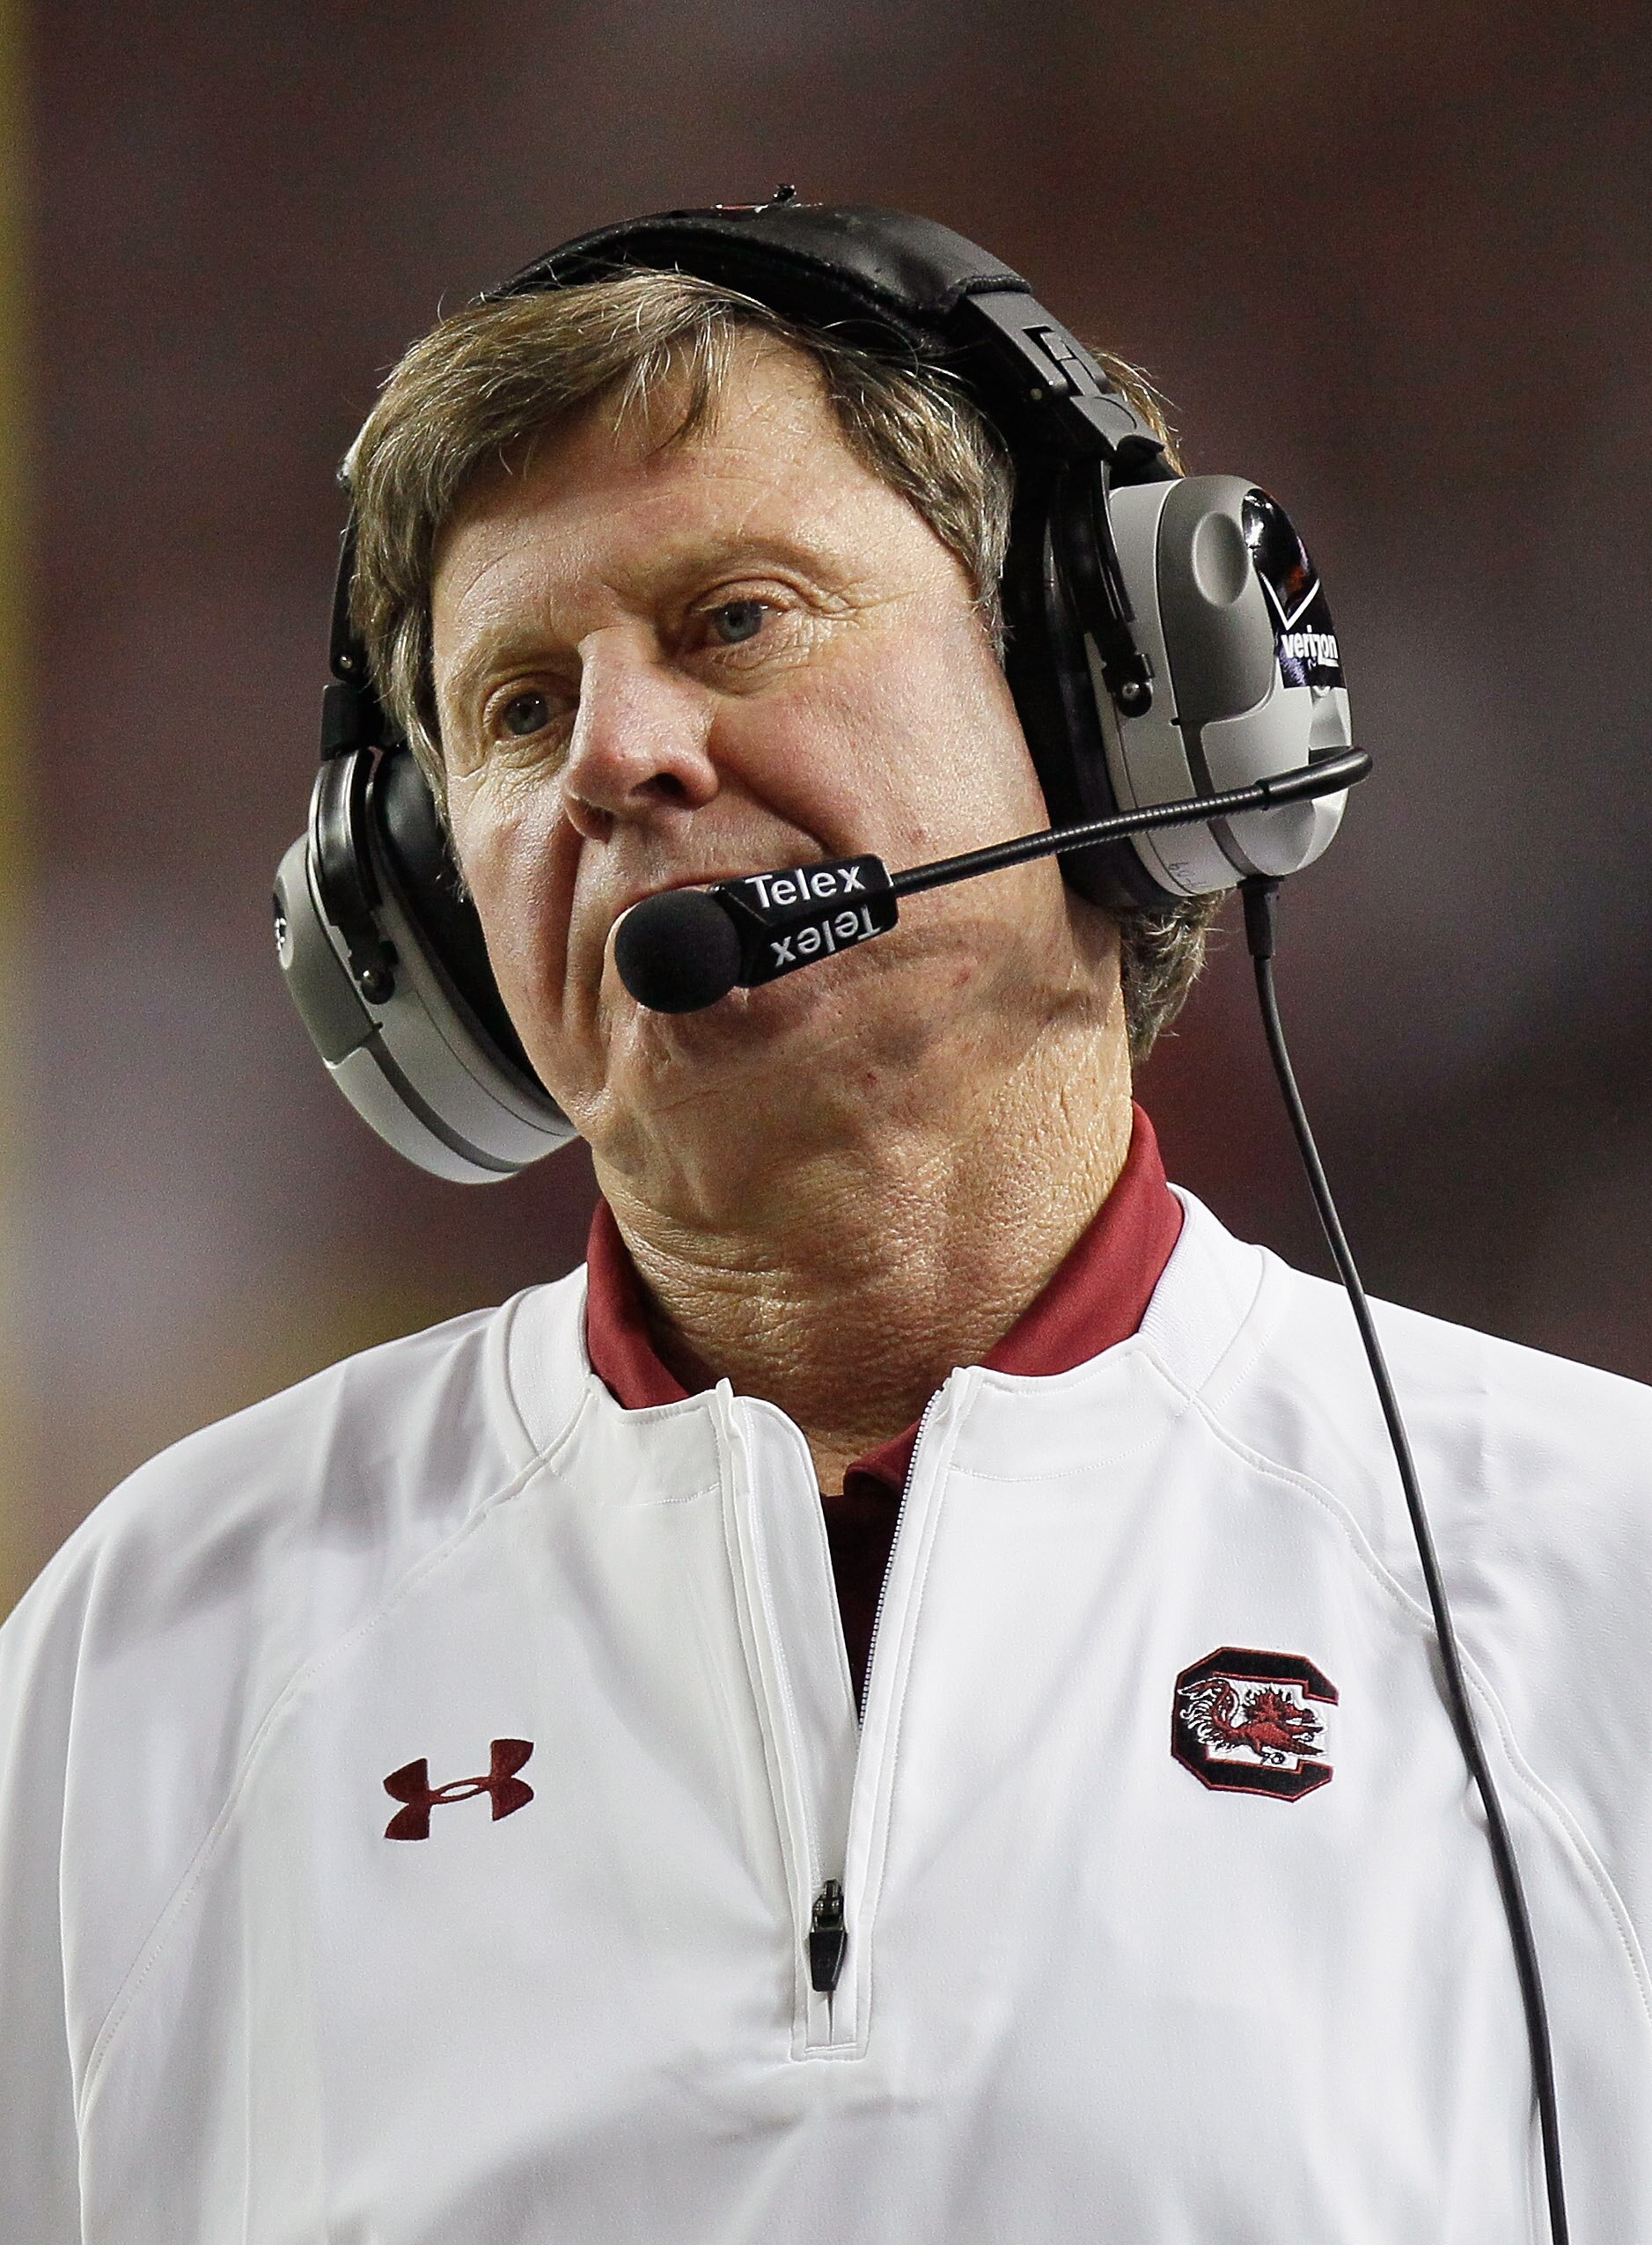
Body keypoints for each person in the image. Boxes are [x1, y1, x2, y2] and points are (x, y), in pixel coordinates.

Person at [2, 208, 1648, 2245]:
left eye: (737, 618)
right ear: (416, 933)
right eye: (515, 708)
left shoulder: (1597, 1576)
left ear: (1108, 700)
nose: (616, 754)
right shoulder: (154, 1644)